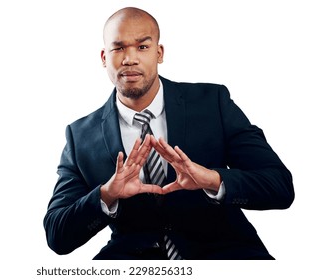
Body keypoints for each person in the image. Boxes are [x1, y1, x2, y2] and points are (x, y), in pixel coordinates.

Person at [43, 7, 294, 260]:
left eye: (142, 47)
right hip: (132, 261)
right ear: (104, 57)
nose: (130, 58)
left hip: (226, 254)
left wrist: (211, 180)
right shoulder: (80, 136)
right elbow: (57, 235)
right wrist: (106, 194)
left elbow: (280, 186)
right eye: (118, 48)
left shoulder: (212, 103)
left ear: (159, 53)